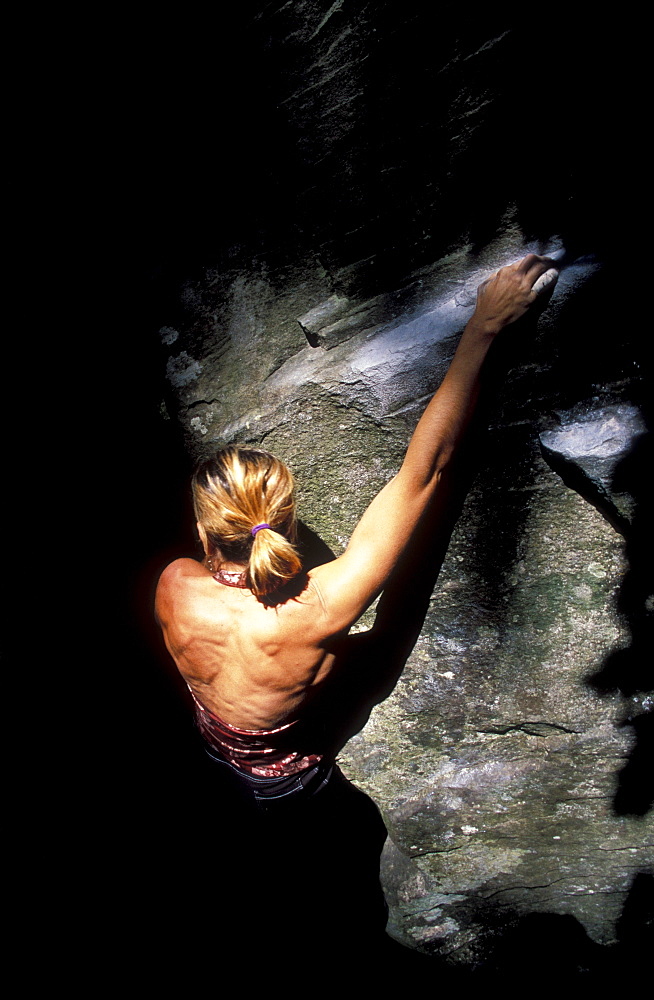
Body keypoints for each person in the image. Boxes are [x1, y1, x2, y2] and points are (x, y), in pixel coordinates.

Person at [155, 254, 558, 810]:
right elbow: (424, 474)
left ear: (205, 528)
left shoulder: (172, 584)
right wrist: (483, 328)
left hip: (212, 756)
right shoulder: (320, 607)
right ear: (284, 520)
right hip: (289, 785)